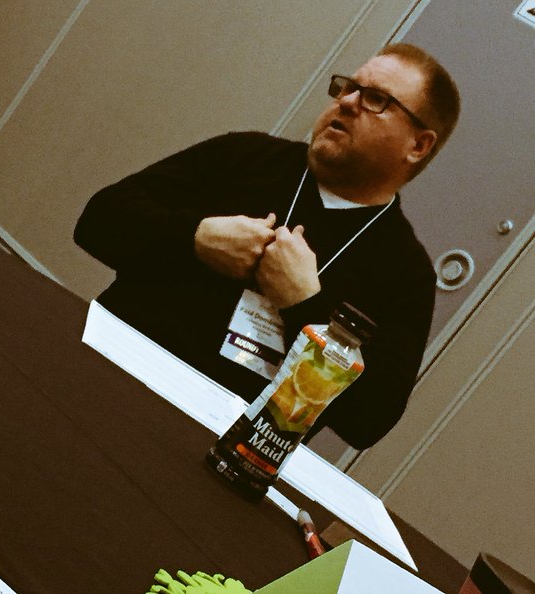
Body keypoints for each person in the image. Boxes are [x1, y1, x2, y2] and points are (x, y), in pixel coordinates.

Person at [74, 43, 460, 450]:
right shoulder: (246, 155)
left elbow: (370, 420)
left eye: (376, 98)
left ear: (417, 145)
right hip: (110, 366)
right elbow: (97, 221)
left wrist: (305, 306)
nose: (347, 102)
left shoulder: (406, 273)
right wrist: (194, 237)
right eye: (349, 87)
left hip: (225, 450)